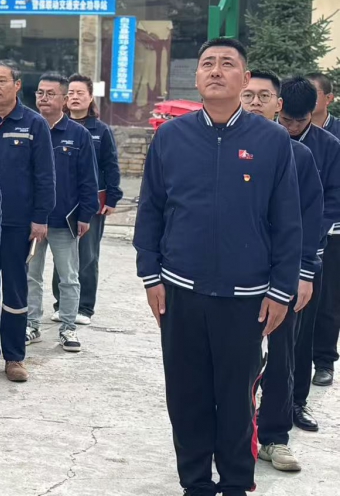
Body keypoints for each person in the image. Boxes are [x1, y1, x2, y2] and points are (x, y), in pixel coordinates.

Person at [135, 38, 302, 496]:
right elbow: (151, 210)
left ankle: (234, 483)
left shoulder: (271, 140)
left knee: (236, 398)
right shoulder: (172, 136)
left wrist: (281, 290)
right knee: (186, 396)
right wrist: (150, 275)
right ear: (196, 77)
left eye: (227, 64)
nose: (215, 70)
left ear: (244, 79)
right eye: (207, 63)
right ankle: (195, 483)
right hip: (180, 291)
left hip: (246, 298)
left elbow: (288, 222)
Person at [242, 73, 328, 472]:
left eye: (264, 96)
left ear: (278, 105)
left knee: (281, 356)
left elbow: (311, 220)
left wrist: (305, 272)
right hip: (233, 276)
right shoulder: (219, 150)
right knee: (231, 360)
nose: (255, 102)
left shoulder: (299, 156)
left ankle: (274, 437)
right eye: (249, 95)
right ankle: (231, 433)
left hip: (282, 276)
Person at [0, 61, 55, 382]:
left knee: (16, 290)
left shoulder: (33, 124)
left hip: (18, 223)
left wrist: (41, 217)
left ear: (17, 85)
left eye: (2, 80)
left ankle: (15, 357)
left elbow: (45, 174)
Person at [276, 75, 340, 436]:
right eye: (286, 120)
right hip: (266, 250)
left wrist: (308, 238)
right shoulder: (265, 139)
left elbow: (332, 201)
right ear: (279, 109)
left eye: (299, 122)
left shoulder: (328, 147)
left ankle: (296, 401)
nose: (292, 128)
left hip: (309, 250)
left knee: (300, 331)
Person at [27, 74, 97, 352]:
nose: (43, 98)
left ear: (64, 99)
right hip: (32, 220)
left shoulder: (78, 134)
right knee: (31, 275)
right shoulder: (28, 128)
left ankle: (68, 327)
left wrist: (85, 215)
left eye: (50, 93)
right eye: (40, 93)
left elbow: (88, 179)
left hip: (64, 219)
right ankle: (31, 324)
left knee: (69, 276)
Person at [51, 74, 122, 325]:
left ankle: (84, 308)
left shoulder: (100, 131)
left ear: (90, 97)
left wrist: (112, 197)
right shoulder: (55, 127)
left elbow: (110, 165)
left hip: (92, 202)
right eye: (70, 93)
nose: (74, 97)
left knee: (87, 255)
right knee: (62, 255)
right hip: (62, 203)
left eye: (80, 93)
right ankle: (61, 304)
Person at [307, 71, 340, 388]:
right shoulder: (288, 131)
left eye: (313, 92)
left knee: (327, 300)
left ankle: (325, 360)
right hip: (296, 230)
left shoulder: (336, 136)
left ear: (328, 99)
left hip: (333, 233)